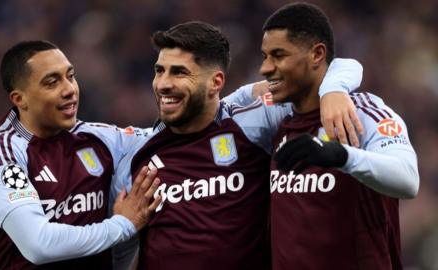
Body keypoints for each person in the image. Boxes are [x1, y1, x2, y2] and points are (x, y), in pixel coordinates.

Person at [112, 21, 363, 270]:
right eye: (159, 71)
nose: (163, 83)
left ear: (216, 82)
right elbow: (118, 254)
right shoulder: (138, 151)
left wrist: (333, 90)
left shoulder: (251, 124)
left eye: (179, 72)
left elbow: (337, 67)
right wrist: (123, 228)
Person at [0, 40, 161, 269]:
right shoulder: (0, 152)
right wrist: (123, 225)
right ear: (20, 99)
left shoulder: (98, 139)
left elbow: (165, 135)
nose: (69, 89)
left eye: (70, 76)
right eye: (52, 83)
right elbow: (39, 244)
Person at [257, 3, 419, 269]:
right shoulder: (276, 123)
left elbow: (408, 179)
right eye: (264, 56)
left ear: (317, 55)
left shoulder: (364, 112)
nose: (265, 68)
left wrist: (342, 156)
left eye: (278, 55)